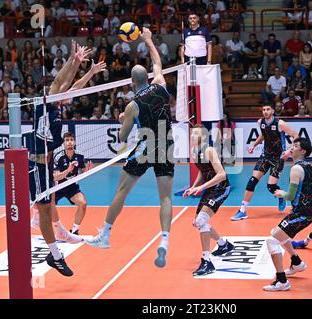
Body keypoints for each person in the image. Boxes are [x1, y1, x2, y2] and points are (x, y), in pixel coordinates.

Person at [86, 28, 175, 269]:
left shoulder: (132, 105)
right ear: (147, 77)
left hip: (145, 146)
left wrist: (122, 120)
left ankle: (105, 235)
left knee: (121, 191)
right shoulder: (160, 85)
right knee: (165, 196)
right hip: (166, 144)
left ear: (131, 82)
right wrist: (147, 40)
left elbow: (123, 137)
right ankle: (165, 240)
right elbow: (157, 60)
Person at [28, 40, 95, 276]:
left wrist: (87, 70)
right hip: (35, 166)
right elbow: (59, 82)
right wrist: (73, 60)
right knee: (45, 209)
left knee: (48, 206)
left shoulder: (57, 109)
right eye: (65, 94)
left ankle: (57, 239)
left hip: (45, 167)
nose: (69, 94)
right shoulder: (45, 106)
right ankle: (55, 254)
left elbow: (73, 85)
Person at [263, 137, 312, 291]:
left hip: (302, 213)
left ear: (303, 151)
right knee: (277, 234)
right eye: (292, 145)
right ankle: (297, 263)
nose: (291, 147)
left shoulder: (296, 169)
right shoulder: (310, 167)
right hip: (306, 211)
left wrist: (281, 193)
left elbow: (289, 195)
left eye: (295, 146)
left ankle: (282, 282)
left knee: (272, 241)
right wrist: (302, 204)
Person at [231, 105, 298, 221]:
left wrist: (289, 150)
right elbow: (263, 135)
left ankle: (281, 196)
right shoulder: (260, 122)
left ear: (272, 111)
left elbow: (296, 136)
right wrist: (253, 145)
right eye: (263, 110)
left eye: (268, 109)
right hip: (265, 156)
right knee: (252, 182)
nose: (265, 111)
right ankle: (242, 211)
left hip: (278, 158)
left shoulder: (280, 123)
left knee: (271, 186)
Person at [183, 125, 233, 276]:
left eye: (196, 133)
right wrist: (193, 187)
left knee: (201, 221)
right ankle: (224, 245)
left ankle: (207, 262)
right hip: (210, 189)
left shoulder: (209, 150)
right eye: (192, 133)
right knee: (198, 222)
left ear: (204, 137)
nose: (192, 136)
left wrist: (201, 187)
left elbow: (222, 174)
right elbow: (203, 171)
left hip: (221, 188)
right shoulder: (194, 151)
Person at [53, 132, 94, 235]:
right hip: (57, 188)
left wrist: (87, 171)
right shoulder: (58, 157)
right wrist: (68, 170)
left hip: (72, 188)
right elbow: (56, 177)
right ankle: (56, 230)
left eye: (71, 140)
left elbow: (83, 172)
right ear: (63, 143)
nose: (69, 142)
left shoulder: (79, 156)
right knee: (46, 210)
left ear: (74, 142)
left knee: (83, 203)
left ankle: (75, 230)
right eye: (67, 140)